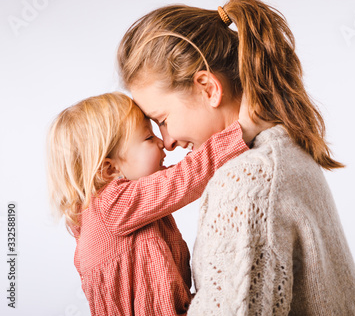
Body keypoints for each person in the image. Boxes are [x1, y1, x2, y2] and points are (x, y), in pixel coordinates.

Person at [117, 0, 355, 315]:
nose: (166, 143)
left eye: (162, 120)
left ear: (208, 88)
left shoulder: (246, 181)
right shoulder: (284, 149)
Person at [46, 92, 265, 315]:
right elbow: (185, 177)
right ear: (110, 169)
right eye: (148, 138)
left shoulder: (113, 211)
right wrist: (243, 129)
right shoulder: (112, 206)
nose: (162, 142)